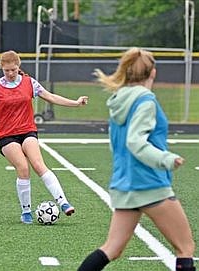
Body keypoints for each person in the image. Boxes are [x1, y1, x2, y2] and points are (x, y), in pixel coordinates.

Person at [77, 48, 196, 271]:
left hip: (124, 184)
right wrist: (166, 159)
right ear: (153, 73)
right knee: (185, 248)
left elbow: (117, 144)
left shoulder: (117, 100)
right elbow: (135, 142)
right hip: (150, 183)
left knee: (111, 249)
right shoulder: (146, 101)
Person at [0, 50, 89, 224]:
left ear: (18, 66)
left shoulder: (30, 82)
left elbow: (50, 97)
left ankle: (63, 202)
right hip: (7, 135)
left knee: (38, 164)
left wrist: (75, 103)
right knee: (23, 168)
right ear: (1, 68)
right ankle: (26, 211)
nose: (10, 73)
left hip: (27, 130)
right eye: (6, 70)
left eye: (13, 70)